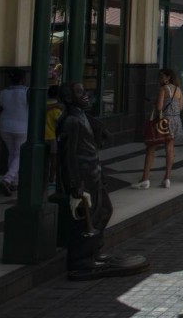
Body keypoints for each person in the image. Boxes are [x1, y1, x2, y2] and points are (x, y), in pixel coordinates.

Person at [57, 81, 148, 279]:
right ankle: (82, 261)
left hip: (94, 175)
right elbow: (68, 157)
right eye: (80, 93)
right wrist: (74, 186)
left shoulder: (82, 117)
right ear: (69, 98)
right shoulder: (70, 122)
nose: (86, 95)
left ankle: (94, 252)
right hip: (83, 179)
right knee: (86, 220)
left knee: (104, 211)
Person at [132, 68, 183, 190]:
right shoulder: (178, 90)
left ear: (168, 78)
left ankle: (145, 179)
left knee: (151, 147)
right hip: (175, 121)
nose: (159, 79)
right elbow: (180, 107)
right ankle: (167, 179)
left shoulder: (163, 89)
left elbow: (159, 107)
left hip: (163, 122)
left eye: (161, 77)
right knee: (170, 149)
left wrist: (155, 104)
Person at [0, 69, 29, 196]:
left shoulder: (3, 92)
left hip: (4, 126)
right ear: (23, 79)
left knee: (13, 153)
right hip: (22, 127)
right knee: (19, 154)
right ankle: (8, 179)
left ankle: (14, 182)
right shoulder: (26, 92)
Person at [44, 84, 63, 191]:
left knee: (45, 160)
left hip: (43, 136)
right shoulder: (57, 108)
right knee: (54, 160)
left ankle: (44, 178)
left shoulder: (44, 105)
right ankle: (52, 179)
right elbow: (58, 122)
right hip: (52, 137)